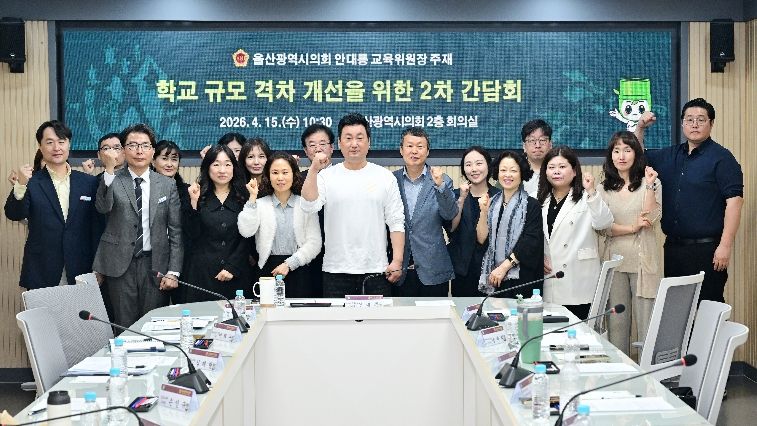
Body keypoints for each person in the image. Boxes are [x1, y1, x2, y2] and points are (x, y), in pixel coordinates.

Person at [634, 99, 744, 303]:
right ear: (682, 123)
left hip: (708, 250)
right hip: (674, 249)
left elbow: (735, 202)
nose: (694, 124)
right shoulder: (670, 155)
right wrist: (640, 128)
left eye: (701, 120)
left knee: (707, 308)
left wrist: (725, 246)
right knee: (676, 309)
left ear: (711, 123)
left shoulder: (722, 158)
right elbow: (637, 157)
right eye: (689, 119)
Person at [301, 112, 405, 297]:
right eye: (348, 138)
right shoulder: (326, 176)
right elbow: (309, 206)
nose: (354, 144)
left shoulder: (385, 177)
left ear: (369, 142)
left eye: (360, 138)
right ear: (339, 143)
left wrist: (397, 260)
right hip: (336, 270)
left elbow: (396, 221)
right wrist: (314, 170)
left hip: (376, 270)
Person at [92, 123, 183, 327]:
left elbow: (176, 231)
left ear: (152, 150)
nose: (139, 151)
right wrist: (109, 169)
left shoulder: (167, 184)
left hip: (156, 265)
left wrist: (173, 271)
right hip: (120, 264)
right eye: (133, 145)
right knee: (124, 324)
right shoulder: (111, 179)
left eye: (145, 145)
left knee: (153, 325)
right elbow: (102, 207)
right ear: (123, 150)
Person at [4, 120, 101, 289]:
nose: (56, 148)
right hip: (42, 269)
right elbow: (14, 214)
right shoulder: (31, 182)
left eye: (61, 141)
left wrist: (99, 267)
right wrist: (20, 184)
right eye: (49, 142)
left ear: (69, 144)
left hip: (82, 268)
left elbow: (97, 227)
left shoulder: (88, 182)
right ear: (40, 147)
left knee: (78, 308)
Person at [596, 131, 661, 355]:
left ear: (636, 154)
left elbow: (650, 219)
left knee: (647, 327)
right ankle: (621, 373)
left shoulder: (650, 182)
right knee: (617, 327)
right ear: (610, 155)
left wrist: (650, 186)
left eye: (627, 150)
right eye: (616, 151)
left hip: (643, 263)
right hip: (614, 263)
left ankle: (648, 374)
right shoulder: (603, 188)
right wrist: (632, 228)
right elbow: (602, 227)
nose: (621, 156)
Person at [537, 146, 613, 319]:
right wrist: (538, 257)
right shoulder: (538, 198)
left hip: (578, 278)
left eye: (562, 167)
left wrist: (592, 191)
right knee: (553, 330)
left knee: (579, 330)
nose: (556, 171)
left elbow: (604, 223)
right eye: (551, 167)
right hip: (550, 276)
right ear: (545, 172)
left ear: (574, 171)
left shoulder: (587, 197)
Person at [237, 152, 321, 297]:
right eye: (275, 173)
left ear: (294, 174)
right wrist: (252, 197)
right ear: (268, 176)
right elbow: (246, 231)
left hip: (298, 268)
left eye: (285, 172)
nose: (280, 178)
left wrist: (290, 264)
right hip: (267, 269)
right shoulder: (260, 204)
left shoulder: (305, 204)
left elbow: (315, 243)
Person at [392, 126, 457, 297]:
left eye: (420, 146)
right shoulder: (391, 180)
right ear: (401, 150)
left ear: (427, 151)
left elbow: (449, 214)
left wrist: (440, 186)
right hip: (400, 269)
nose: (414, 151)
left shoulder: (442, 180)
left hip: (433, 268)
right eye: (409, 146)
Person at [183, 144, 252, 302]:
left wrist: (232, 267)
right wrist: (193, 203)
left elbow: (249, 237)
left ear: (234, 168)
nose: (222, 170)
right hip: (202, 274)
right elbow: (191, 234)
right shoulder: (195, 193)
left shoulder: (246, 195)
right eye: (216, 165)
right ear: (207, 167)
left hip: (237, 273)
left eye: (227, 164)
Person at [477, 151, 544, 297]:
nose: (507, 175)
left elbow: (530, 242)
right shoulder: (492, 202)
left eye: (513, 170)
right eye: (503, 170)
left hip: (521, 277)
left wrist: (504, 268)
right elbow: (482, 239)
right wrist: (483, 212)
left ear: (522, 173)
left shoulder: (531, 204)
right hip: (494, 276)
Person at [445, 146, 499, 296]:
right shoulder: (455, 196)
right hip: (463, 272)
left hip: (494, 271)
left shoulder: (499, 196)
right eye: (468, 165)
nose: (474, 169)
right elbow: (451, 229)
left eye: (479, 163)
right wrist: (461, 199)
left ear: (488, 165)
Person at [152, 139, 192, 304]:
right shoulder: (144, 189)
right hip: (154, 263)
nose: (169, 164)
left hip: (185, 262)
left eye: (174, 159)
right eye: (164, 158)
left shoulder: (188, 191)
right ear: (153, 161)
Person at [300, 123, 336, 297]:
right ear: (306, 151)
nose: (318, 148)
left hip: (337, 251)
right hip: (306, 252)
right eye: (312, 145)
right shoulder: (297, 179)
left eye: (323, 143)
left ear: (332, 148)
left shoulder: (342, 176)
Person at [521, 119, 553, 194]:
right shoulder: (514, 169)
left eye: (542, 140)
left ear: (550, 144)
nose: (538, 145)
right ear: (524, 146)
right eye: (532, 140)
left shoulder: (559, 170)